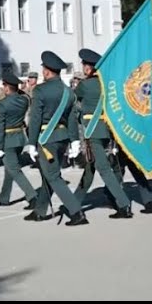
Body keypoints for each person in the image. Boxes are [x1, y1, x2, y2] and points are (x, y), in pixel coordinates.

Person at [24, 51, 87, 226]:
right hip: (62, 137)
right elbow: (72, 118)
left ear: (46, 71)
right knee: (49, 174)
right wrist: (75, 140)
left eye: (43, 68)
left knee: (53, 176)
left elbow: (35, 118)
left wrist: (31, 143)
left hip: (46, 139)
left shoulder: (40, 90)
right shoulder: (68, 91)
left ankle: (76, 212)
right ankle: (40, 210)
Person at [72, 48, 134, 219]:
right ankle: (74, 202)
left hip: (92, 131)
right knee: (91, 168)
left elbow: (73, 99)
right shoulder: (106, 83)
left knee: (104, 169)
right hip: (106, 129)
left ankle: (123, 204)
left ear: (89, 67)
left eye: (85, 64)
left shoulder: (85, 85)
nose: (84, 67)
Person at [0, 73, 38, 207]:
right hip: (19, 138)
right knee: (9, 169)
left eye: (4, 86)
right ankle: (3, 197)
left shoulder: (2, 104)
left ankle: (32, 196)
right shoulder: (24, 100)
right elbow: (25, 95)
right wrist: (17, 89)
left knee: (15, 170)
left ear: (6, 88)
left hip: (7, 140)